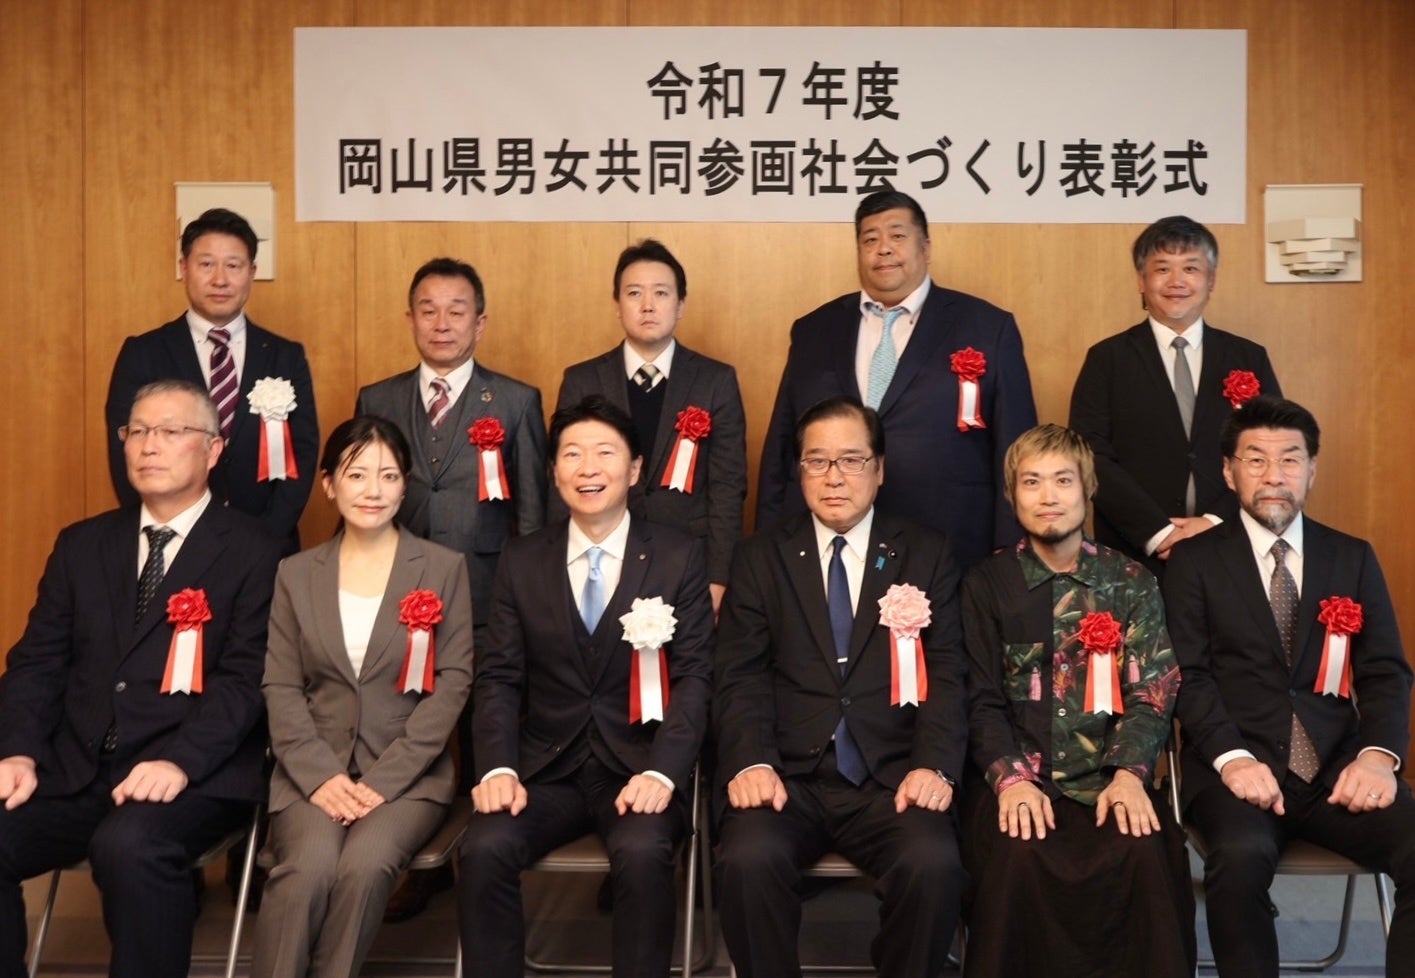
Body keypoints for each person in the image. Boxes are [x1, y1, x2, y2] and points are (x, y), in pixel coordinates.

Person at [0, 380, 282, 978]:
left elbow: (247, 679)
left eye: (171, 431)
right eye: (137, 431)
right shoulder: (82, 544)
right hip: (79, 770)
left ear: (213, 449)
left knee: (129, 845)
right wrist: (18, 750)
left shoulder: (259, 550)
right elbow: (36, 663)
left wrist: (180, 760)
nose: (149, 445)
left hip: (194, 773)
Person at [457, 395, 713, 978]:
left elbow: (697, 677)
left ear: (636, 469)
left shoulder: (678, 556)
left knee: (643, 852)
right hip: (546, 770)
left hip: (639, 768)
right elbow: (498, 677)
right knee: (484, 846)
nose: (588, 468)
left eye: (605, 453)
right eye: (572, 454)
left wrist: (663, 773)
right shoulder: (523, 558)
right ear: (553, 472)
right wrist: (497, 768)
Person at [714, 394, 968, 978]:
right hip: (788, 776)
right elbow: (739, 676)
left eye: (852, 460)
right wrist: (751, 761)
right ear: (799, 469)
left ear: (879, 470)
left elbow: (949, 672)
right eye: (817, 461)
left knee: (933, 865)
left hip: (891, 777)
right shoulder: (759, 557)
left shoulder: (926, 553)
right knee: (747, 860)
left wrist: (934, 766)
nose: (834, 477)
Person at [1165, 396, 1415, 977]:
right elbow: (1188, 677)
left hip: (1337, 771)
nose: (1274, 475)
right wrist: (1231, 759)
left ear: (1312, 470)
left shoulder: (1352, 557)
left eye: (1290, 459)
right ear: (1229, 472)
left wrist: (1378, 757)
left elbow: (1385, 671)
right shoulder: (1193, 562)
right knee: (1239, 859)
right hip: (1235, 769)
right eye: (1256, 460)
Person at [960, 424, 1193, 977]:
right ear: (1012, 495)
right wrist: (1011, 781)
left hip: (1110, 778)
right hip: (1022, 779)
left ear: (1089, 489)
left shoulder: (1131, 580)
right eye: (1032, 482)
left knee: (1142, 850)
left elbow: (1153, 691)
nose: (1048, 496)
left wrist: (1130, 775)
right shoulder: (986, 584)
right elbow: (978, 698)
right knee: (1016, 853)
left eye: (1063, 480)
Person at [357, 256, 546, 917]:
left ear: (480, 323)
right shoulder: (377, 400)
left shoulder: (516, 401)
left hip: (487, 591)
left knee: (482, 724)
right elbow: (362, 500)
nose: (442, 323)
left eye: (456, 310)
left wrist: (529, 598)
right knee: (408, 724)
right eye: (428, 310)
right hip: (401, 596)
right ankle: (415, 862)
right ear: (409, 318)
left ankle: (479, 859)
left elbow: (532, 515)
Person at [251, 416, 473, 978]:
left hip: (407, 777)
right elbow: (281, 685)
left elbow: (453, 683)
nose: (373, 490)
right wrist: (319, 775)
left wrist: (384, 780)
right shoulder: (295, 573)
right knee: (306, 869)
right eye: (356, 475)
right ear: (329, 484)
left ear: (405, 485)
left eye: (388, 475)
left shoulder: (442, 569)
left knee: (365, 866)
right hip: (313, 772)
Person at [755, 190, 1037, 569]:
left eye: (897, 236)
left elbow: (1018, 449)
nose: (883, 249)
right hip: (827, 543)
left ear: (926, 247)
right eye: (870, 239)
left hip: (951, 538)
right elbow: (781, 444)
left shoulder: (987, 327)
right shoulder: (814, 330)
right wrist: (768, 540)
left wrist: (1010, 545)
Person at [1070, 215, 1282, 573]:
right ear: (1141, 280)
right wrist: (1159, 532)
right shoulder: (1107, 359)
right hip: (1134, 552)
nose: (1176, 281)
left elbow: (1274, 448)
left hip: (1232, 541)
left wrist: (1214, 520)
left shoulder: (1248, 357)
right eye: (1162, 268)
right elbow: (1089, 455)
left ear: (1211, 279)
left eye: (1191, 268)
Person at [105, 207, 318, 556]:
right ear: (183, 268)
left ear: (251, 273)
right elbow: (126, 450)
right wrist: (164, 531)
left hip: (266, 545)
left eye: (233, 266)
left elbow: (303, 453)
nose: (220, 279)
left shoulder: (284, 356)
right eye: (206, 264)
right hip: (171, 544)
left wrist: (265, 538)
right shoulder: (144, 353)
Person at [555, 238, 746, 617]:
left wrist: (719, 577)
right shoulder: (582, 380)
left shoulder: (715, 380)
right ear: (617, 305)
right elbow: (561, 479)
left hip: (687, 560)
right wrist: (558, 566)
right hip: (598, 557)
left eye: (661, 293)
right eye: (634, 293)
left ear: (680, 305)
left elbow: (728, 487)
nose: (647, 305)